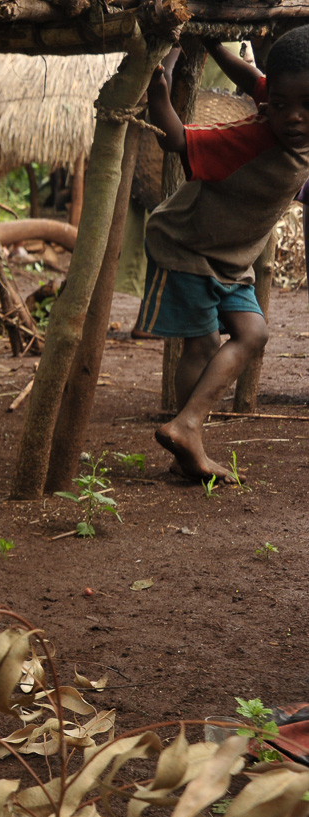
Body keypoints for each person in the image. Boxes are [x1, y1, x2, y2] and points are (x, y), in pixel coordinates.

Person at [138, 29, 309, 482]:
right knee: (201, 342)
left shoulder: (282, 100)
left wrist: (214, 46)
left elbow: (253, 76)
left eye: (306, 105)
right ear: (270, 104)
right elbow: (174, 139)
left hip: (232, 258)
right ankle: (186, 437)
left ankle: (186, 425)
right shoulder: (249, 140)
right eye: (281, 105)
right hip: (187, 242)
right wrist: (162, 87)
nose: (293, 117)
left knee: (253, 333)